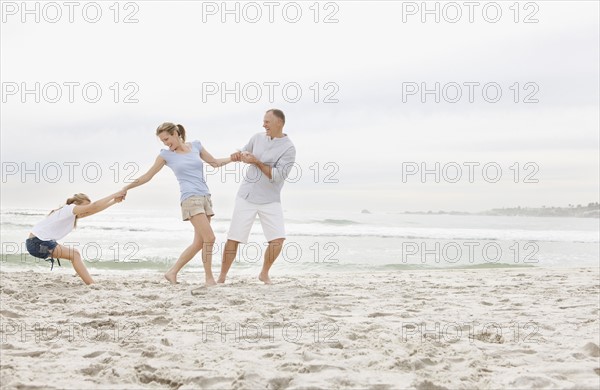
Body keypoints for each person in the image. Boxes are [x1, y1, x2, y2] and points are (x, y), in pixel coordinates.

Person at [122, 122, 231, 286]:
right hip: (190, 199)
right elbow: (147, 176)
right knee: (210, 237)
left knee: (199, 243)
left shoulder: (196, 146)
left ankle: (172, 272)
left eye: (167, 139)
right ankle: (209, 279)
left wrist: (233, 158)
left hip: (205, 197)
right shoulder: (166, 156)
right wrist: (127, 187)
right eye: (163, 141)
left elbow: (215, 163)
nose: (166, 143)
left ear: (175, 133)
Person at [218, 109, 296, 285]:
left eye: (267, 122)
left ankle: (264, 273)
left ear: (279, 123)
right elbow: (245, 152)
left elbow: (276, 176)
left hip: (270, 198)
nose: (264, 125)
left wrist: (257, 162)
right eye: (263, 121)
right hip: (247, 195)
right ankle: (222, 277)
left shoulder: (289, 148)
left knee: (278, 239)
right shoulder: (257, 138)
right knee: (234, 237)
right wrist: (240, 155)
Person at [26, 191, 126, 285]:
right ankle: (91, 284)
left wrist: (114, 202)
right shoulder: (70, 208)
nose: (86, 209)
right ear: (76, 203)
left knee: (75, 254)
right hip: (38, 244)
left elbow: (94, 209)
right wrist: (114, 194)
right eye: (85, 206)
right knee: (74, 255)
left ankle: (81, 273)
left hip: (36, 244)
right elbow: (94, 206)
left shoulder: (70, 214)